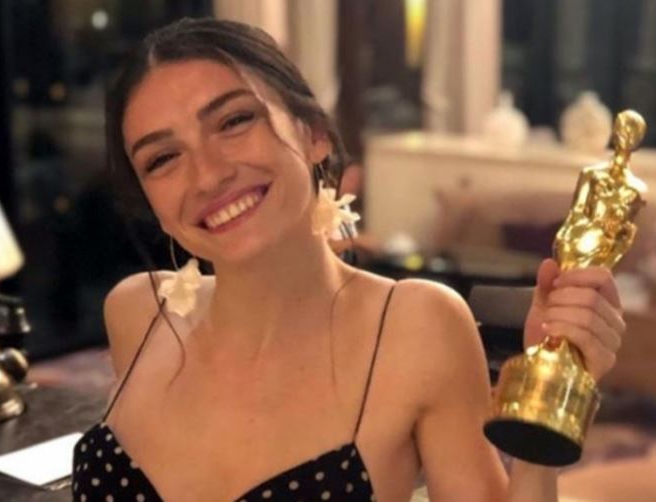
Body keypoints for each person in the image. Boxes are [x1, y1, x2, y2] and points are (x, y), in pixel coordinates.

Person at [71, 18, 626, 502]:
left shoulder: (416, 327)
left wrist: (548, 401)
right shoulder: (139, 312)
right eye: (163, 158)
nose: (208, 175)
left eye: (234, 121)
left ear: (313, 134)